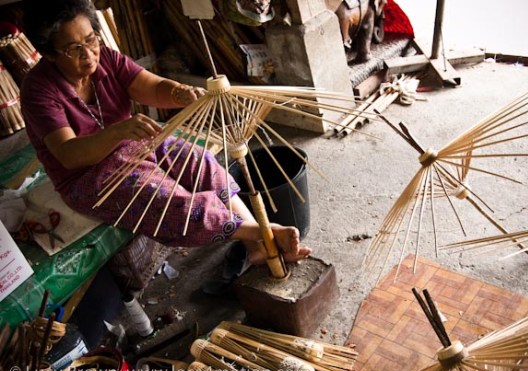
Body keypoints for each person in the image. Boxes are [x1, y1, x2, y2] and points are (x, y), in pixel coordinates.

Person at [20, 0, 311, 265]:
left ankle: (256, 244)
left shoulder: (105, 57)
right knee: (166, 198)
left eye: (91, 40)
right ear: (49, 53)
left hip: (133, 142)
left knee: (200, 162)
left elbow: (149, 86)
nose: (88, 54)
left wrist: (180, 93)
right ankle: (264, 233)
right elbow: (69, 155)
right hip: (89, 175)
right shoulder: (39, 91)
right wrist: (118, 133)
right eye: (74, 49)